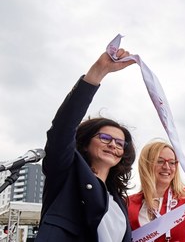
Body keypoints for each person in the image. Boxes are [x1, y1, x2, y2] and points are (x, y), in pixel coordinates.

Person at [36, 49, 136, 241]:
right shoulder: (66, 174)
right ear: (84, 143)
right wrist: (98, 72)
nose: (113, 145)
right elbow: (62, 128)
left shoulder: (118, 200)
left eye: (120, 143)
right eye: (105, 138)